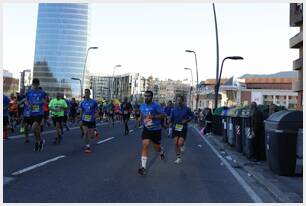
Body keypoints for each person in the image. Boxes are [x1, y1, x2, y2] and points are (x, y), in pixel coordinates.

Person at [138, 90, 166, 176]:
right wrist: (140, 119)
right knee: (145, 145)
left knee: (156, 148)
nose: (146, 97)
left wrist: (153, 116)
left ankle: (161, 150)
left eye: (148, 96)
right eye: (145, 96)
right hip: (147, 129)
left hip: (156, 130)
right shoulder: (142, 105)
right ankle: (143, 168)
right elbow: (142, 114)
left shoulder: (156, 106)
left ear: (152, 97)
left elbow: (163, 115)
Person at [169, 95, 194, 164]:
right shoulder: (174, 109)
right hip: (175, 127)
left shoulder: (187, 109)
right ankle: (178, 158)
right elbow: (171, 118)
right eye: (177, 100)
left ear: (182, 101)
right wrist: (169, 122)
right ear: (176, 101)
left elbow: (192, 116)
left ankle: (182, 144)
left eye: (180, 100)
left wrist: (187, 120)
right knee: (175, 143)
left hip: (183, 127)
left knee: (179, 143)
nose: (179, 101)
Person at [26, 78, 47, 151]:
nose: (35, 86)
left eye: (36, 84)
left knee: (33, 128)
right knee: (36, 130)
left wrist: (39, 102)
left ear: (38, 84)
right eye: (33, 84)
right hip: (32, 113)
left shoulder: (42, 92)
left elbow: (45, 101)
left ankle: (39, 141)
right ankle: (39, 141)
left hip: (39, 113)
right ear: (32, 84)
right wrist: (28, 104)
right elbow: (26, 100)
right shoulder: (29, 92)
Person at [79, 89, 98, 153]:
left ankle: (94, 133)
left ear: (90, 94)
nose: (86, 94)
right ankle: (88, 146)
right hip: (85, 119)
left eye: (87, 93)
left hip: (92, 120)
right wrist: (80, 119)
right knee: (86, 133)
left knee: (92, 136)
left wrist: (96, 115)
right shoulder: (82, 102)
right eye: (85, 93)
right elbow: (81, 111)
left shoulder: (94, 102)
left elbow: (97, 110)